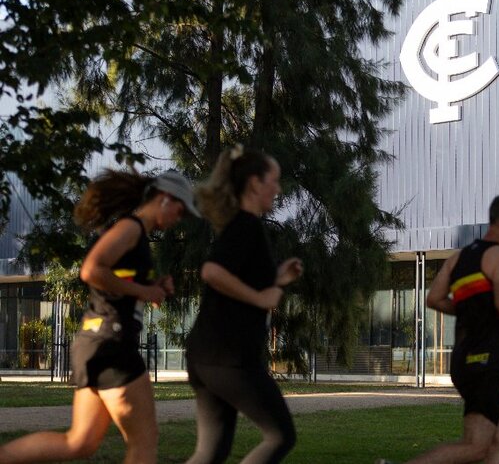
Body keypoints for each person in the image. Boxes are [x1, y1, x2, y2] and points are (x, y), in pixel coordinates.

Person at [0, 169, 200, 464]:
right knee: (144, 444)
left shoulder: (137, 235)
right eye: (180, 211)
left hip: (96, 342)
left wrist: (151, 288)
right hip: (113, 344)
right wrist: (145, 292)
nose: (178, 220)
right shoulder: (130, 229)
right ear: (164, 199)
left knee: (80, 442)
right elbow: (92, 270)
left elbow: (118, 285)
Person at [396, 194, 499, 464]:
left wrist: (471, 310)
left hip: (464, 361)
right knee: (477, 447)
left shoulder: (459, 258)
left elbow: (434, 299)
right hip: (483, 362)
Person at [185, 146, 303, 464]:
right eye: (273, 181)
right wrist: (262, 298)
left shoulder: (241, 226)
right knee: (280, 435)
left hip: (207, 356)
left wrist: (276, 279)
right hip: (230, 357)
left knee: (210, 452)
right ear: (254, 183)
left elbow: (236, 277)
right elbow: (212, 271)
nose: (278, 189)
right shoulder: (246, 225)